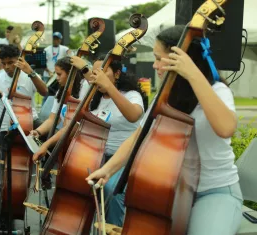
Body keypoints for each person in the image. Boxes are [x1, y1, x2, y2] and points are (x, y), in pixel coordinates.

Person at [87, 25, 243, 235]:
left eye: (159, 58)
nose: (155, 65)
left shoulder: (217, 90)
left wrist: (193, 74)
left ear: (182, 60)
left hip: (214, 192)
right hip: (171, 193)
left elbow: (226, 128)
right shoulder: (165, 97)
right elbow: (138, 136)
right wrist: (108, 170)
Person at [33, 54, 148, 227]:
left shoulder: (131, 95)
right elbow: (73, 125)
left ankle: (113, 227)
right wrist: (48, 144)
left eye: (103, 72)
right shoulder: (94, 97)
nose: (97, 76)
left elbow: (133, 115)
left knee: (110, 190)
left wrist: (108, 87)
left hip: (124, 161)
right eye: (95, 72)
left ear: (117, 74)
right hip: (96, 157)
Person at [0, 44, 48, 185]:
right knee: (7, 167)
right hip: (6, 127)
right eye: (4, 63)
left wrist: (31, 72)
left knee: (53, 137)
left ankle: (46, 177)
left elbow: (44, 92)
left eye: (10, 62)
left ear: (19, 60)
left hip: (30, 123)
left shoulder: (29, 76)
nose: (7, 67)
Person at [29, 56, 89, 140]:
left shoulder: (85, 87)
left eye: (59, 74)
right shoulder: (61, 91)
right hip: (64, 136)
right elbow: (52, 119)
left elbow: (76, 124)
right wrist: (38, 132)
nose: (57, 78)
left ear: (70, 73)